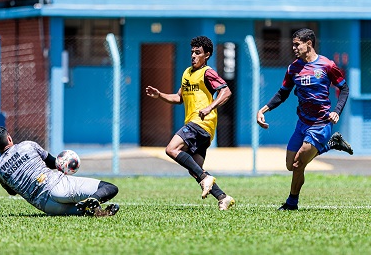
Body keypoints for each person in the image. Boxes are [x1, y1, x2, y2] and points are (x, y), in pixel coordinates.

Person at [256, 28, 353, 211]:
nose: (293, 48)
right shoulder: (293, 68)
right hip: (302, 124)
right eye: (293, 44)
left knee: (299, 162)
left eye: (296, 44)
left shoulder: (327, 65)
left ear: (308, 43)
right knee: (290, 165)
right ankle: (331, 144)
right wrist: (264, 109)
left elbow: (344, 89)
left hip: (320, 124)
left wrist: (337, 111)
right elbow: (283, 93)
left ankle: (291, 203)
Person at [145, 36, 235, 210]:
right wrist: (160, 95)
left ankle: (206, 178)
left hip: (201, 122)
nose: (193, 55)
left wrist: (210, 107)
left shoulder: (208, 72)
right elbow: (179, 97)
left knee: (171, 149)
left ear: (207, 55)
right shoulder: (187, 73)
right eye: (192, 52)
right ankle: (223, 197)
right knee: (195, 169)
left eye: (198, 52)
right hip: (200, 127)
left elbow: (226, 91)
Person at [0, 126, 120, 217]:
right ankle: (94, 199)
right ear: (9, 138)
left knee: (84, 210)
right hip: (57, 186)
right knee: (109, 187)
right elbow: (53, 162)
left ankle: (96, 211)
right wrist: (65, 163)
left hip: (47, 206)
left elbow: (12, 192)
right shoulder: (27, 145)